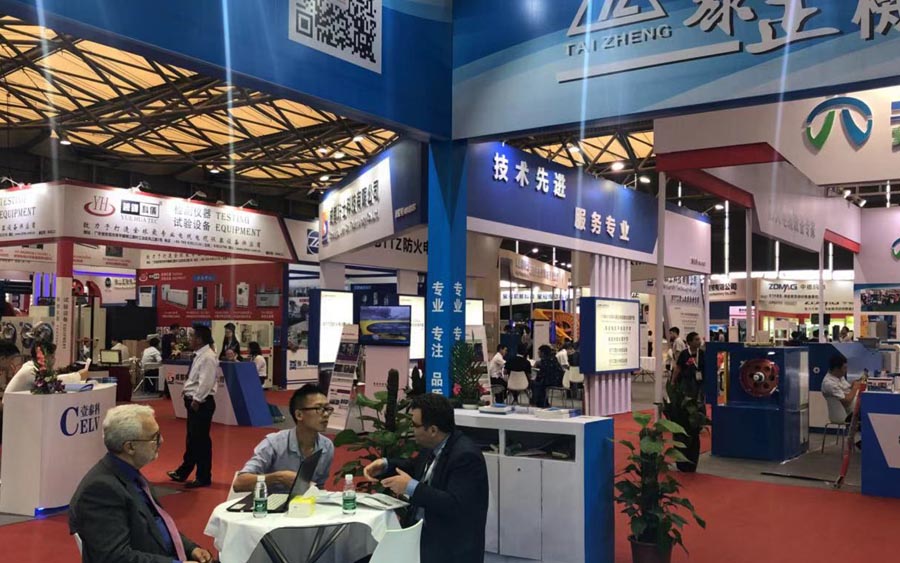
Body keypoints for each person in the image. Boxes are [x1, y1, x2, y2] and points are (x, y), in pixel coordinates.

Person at [69, 404, 213, 563]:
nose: (161, 441)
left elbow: (158, 525)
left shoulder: (129, 474)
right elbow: (114, 557)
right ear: (130, 447)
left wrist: (191, 548)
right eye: (154, 437)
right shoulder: (101, 491)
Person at [363, 393, 488, 563]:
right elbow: (413, 466)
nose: (411, 430)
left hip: (449, 548)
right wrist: (385, 465)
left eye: (415, 425)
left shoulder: (466, 456)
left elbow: (454, 505)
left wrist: (411, 487)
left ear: (433, 430)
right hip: (420, 536)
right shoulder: (433, 445)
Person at [234, 384, 335, 492]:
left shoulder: (327, 446)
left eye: (327, 408)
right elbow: (239, 483)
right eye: (318, 409)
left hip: (305, 501)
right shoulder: (273, 443)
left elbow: (319, 486)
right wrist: (277, 477)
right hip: (270, 501)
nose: (326, 414)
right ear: (299, 415)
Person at [167, 325, 217, 488]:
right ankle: (184, 471)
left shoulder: (207, 357)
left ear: (199, 339)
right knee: (193, 439)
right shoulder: (199, 355)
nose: (189, 340)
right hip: (194, 401)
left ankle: (203, 476)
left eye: (191, 336)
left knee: (200, 440)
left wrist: (197, 400)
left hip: (201, 403)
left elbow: (206, 382)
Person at [3, 342, 89, 399]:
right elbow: (51, 383)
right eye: (52, 356)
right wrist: (78, 376)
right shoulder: (30, 370)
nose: (54, 360)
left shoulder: (34, 367)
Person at [671, 331, 705, 472]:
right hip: (686, 386)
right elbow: (678, 368)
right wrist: (673, 381)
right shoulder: (684, 354)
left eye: (699, 339)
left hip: (699, 386)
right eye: (696, 339)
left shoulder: (702, 354)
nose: (699, 341)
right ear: (690, 342)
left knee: (699, 405)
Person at [822, 354, 865, 423]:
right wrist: (854, 388)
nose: (846, 370)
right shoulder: (829, 383)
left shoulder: (839, 376)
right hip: (847, 414)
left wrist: (852, 386)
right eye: (844, 368)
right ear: (836, 369)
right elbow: (847, 401)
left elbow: (847, 390)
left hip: (854, 409)